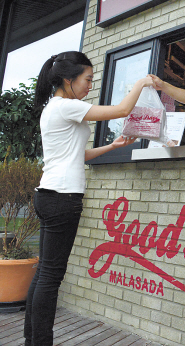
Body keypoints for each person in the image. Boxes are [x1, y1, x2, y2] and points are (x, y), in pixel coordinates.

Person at [24, 51, 154, 346]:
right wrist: (142, 82)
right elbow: (122, 110)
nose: (89, 86)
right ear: (68, 80)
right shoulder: (66, 106)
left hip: (48, 194)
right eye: (87, 79)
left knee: (44, 272)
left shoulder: (54, 108)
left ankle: (31, 339)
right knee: (51, 277)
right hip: (62, 198)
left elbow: (78, 155)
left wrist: (114, 145)